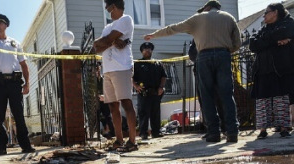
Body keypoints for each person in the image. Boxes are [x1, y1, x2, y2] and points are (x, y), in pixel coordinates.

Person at [144, 0, 241, 143]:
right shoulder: (229, 17)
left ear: (207, 8)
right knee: (227, 94)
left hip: (204, 57)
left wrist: (154, 35)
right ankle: (232, 132)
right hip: (223, 56)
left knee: (206, 95)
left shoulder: (198, 18)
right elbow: (237, 43)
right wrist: (225, 51)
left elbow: (173, 28)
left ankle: (214, 133)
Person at [0, 13, 36, 156]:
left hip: (15, 83)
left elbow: (24, 65)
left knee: (19, 114)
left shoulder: (15, 44)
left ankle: (25, 145)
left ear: (6, 25)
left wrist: (27, 83)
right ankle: (2, 147)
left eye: (0, 23)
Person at [93, 0, 138, 152]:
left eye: (108, 9)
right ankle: (119, 139)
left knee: (126, 103)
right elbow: (96, 46)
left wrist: (107, 41)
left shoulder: (126, 20)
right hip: (108, 70)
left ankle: (132, 141)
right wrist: (112, 42)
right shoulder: (108, 27)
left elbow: (103, 42)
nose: (108, 12)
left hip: (122, 68)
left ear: (113, 7)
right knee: (112, 106)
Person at [249, 3, 294, 139]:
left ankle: (284, 127)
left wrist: (265, 42)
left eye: (266, 12)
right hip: (262, 69)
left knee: (281, 98)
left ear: (275, 12)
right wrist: (274, 42)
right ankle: (263, 129)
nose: (264, 16)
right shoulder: (263, 28)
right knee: (262, 99)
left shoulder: (288, 23)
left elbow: (283, 33)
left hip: (280, 68)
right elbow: (253, 44)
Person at [133, 42, 167, 140]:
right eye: (145, 49)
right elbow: (131, 77)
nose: (147, 50)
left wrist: (161, 87)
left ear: (152, 50)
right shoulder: (138, 63)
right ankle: (143, 133)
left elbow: (163, 76)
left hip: (156, 92)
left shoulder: (157, 63)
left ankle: (156, 132)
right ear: (142, 51)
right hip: (143, 92)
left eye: (149, 49)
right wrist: (135, 86)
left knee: (155, 113)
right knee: (143, 113)